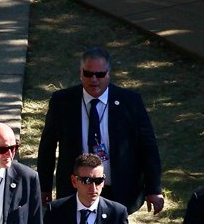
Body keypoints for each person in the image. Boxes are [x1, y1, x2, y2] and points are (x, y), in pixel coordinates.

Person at [37, 47, 163, 215]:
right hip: (76, 189)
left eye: (100, 74)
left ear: (109, 73)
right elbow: (47, 146)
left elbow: (148, 147)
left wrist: (153, 188)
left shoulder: (130, 102)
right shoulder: (62, 102)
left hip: (118, 189)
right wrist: (44, 187)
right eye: (88, 74)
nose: (94, 80)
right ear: (81, 72)